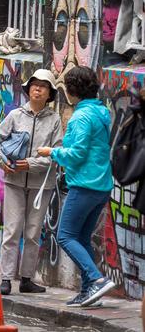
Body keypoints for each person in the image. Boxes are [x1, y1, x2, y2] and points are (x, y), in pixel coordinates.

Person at [37, 66, 116, 307]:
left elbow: (78, 154)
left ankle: (95, 280)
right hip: (100, 185)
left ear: (72, 91)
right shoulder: (101, 112)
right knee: (81, 238)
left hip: (85, 184)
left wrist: (52, 152)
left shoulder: (81, 116)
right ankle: (88, 292)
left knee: (66, 236)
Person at [0, 69, 62, 295]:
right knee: (12, 231)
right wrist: (3, 163)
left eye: (43, 86)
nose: (37, 89)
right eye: (34, 85)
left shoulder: (55, 119)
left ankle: (27, 279)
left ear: (49, 93)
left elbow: (56, 153)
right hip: (14, 182)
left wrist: (30, 163)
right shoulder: (15, 115)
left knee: (32, 233)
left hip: (41, 186)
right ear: (28, 89)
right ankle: (6, 278)